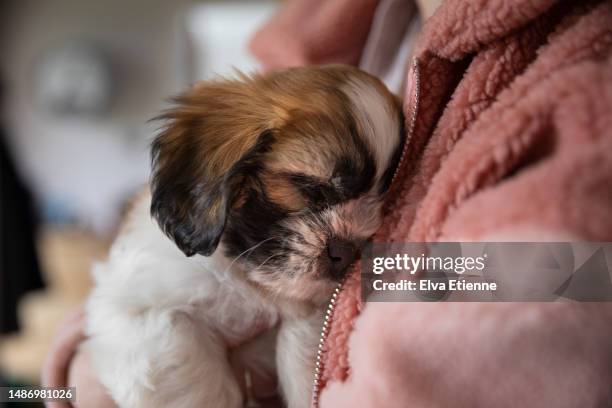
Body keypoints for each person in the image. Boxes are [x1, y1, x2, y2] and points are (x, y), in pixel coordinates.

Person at [43, 0, 612, 406]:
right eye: (312, 190)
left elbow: (575, 273)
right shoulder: (314, 46)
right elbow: (125, 303)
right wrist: (79, 367)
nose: (351, 239)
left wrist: (382, 275)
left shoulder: (580, 69)